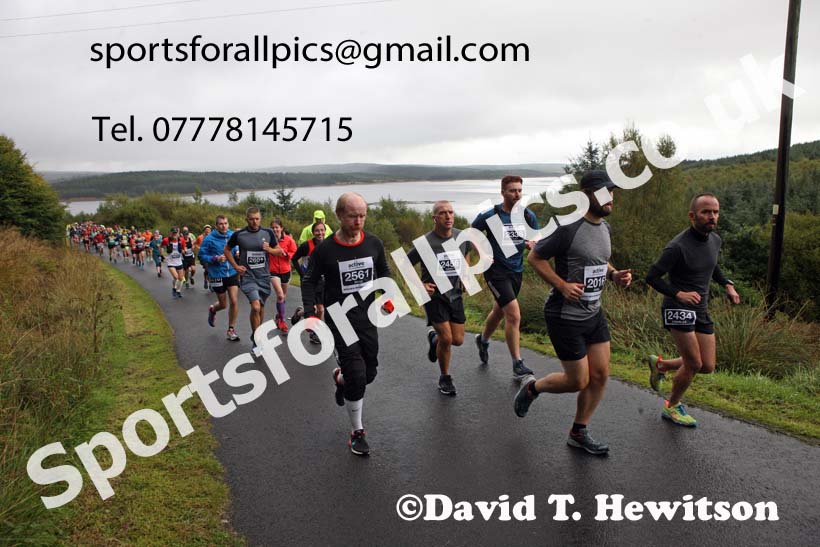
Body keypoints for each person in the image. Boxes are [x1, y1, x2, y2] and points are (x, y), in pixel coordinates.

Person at [514, 170, 632, 456]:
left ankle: (579, 431)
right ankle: (532, 388)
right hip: (564, 315)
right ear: (586, 195)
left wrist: (614, 275)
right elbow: (535, 257)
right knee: (577, 380)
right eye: (604, 192)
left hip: (593, 313)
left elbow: (599, 260)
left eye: (612, 192)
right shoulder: (567, 227)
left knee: (600, 375)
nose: (610, 197)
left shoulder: (604, 228)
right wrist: (562, 285)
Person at [300, 193, 390, 456]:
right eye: (353, 216)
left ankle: (341, 379)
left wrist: (387, 296)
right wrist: (310, 314)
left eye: (362, 216)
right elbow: (308, 281)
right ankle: (357, 432)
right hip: (340, 318)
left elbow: (384, 272)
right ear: (339, 215)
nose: (358, 221)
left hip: (367, 317)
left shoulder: (374, 243)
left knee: (369, 373)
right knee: (358, 376)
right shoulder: (325, 250)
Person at [645, 193, 740, 427]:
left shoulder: (715, 240)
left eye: (715, 212)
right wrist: (679, 293)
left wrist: (727, 284)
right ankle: (672, 406)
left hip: (701, 307)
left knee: (707, 365)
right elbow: (652, 277)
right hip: (677, 307)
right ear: (692, 215)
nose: (712, 216)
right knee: (694, 364)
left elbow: (712, 265)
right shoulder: (677, 247)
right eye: (706, 212)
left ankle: (662, 365)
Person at [471, 175, 538, 378]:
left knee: (499, 311)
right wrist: (482, 254)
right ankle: (517, 363)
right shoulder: (491, 215)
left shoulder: (527, 215)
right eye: (512, 190)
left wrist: (531, 243)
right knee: (514, 315)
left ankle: (482, 340)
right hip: (495, 271)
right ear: (503, 192)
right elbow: (472, 234)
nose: (517, 194)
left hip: (516, 270)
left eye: (519, 190)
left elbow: (535, 238)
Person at [407, 200, 470, 396]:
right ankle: (445, 377)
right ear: (435, 218)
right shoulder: (425, 242)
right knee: (447, 338)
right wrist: (420, 285)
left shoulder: (461, 236)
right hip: (434, 296)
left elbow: (466, 253)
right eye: (443, 213)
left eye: (451, 212)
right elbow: (404, 263)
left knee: (458, 340)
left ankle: (435, 339)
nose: (448, 216)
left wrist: (465, 276)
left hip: (454, 294)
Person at [224, 207, 284, 350]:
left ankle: (256, 334)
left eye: (257, 219)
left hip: (263, 277)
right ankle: (257, 341)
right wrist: (236, 267)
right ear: (247, 219)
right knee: (255, 306)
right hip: (248, 277)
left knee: (261, 307)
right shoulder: (239, 235)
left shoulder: (268, 233)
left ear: (260, 219)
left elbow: (279, 251)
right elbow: (226, 250)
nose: (254, 222)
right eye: (251, 219)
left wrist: (269, 249)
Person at [199, 215, 241, 341]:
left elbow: (237, 246)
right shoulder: (209, 238)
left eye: (226, 223)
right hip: (217, 274)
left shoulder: (232, 235)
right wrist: (215, 258)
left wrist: (237, 252)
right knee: (223, 304)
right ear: (216, 226)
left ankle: (231, 329)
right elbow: (201, 255)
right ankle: (213, 309)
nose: (224, 226)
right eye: (221, 224)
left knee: (234, 301)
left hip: (232, 272)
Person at [291, 221, 327, 344]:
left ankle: (313, 332)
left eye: (322, 230)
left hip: (321, 280)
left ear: (325, 231)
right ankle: (303, 314)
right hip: (308, 281)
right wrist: (302, 274)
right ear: (313, 232)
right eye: (317, 230)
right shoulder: (307, 245)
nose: (320, 233)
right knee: (313, 308)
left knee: (320, 309)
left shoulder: (328, 245)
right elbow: (294, 259)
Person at [269, 219, 297, 333]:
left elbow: (294, 252)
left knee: (283, 297)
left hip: (286, 270)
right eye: (273, 227)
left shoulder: (289, 240)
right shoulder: (268, 240)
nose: (275, 229)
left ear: (281, 228)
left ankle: (279, 316)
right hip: (273, 271)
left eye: (277, 227)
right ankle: (282, 320)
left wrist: (286, 254)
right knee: (280, 295)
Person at [161, 227, 187, 298]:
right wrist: (161, 256)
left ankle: (178, 291)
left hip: (179, 262)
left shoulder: (181, 240)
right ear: (171, 233)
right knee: (176, 277)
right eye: (173, 233)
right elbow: (160, 246)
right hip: (171, 262)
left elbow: (184, 247)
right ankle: (174, 288)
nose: (174, 234)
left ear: (178, 233)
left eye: (176, 233)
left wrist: (184, 250)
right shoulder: (166, 240)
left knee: (181, 278)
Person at [195, 225, 212, 290]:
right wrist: (199, 248)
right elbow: (195, 244)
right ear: (204, 230)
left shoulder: (212, 237)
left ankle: (210, 284)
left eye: (209, 230)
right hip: (203, 256)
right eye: (206, 230)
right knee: (207, 269)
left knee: (211, 270)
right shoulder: (200, 237)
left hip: (211, 256)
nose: (208, 231)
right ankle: (206, 281)